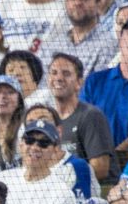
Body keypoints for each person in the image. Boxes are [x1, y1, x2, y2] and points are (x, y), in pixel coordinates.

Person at [81, 16, 128, 155]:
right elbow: (81, 123)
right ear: (120, 41)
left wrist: (110, 160)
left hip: (126, 162)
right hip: (89, 157)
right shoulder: (95, 80)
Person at [48, 52, 115, 183]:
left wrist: (62, 179)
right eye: (54, 73)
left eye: (66, 74)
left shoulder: (91, 116)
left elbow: (100, 168)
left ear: (79, 82)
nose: (59, 78)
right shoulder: (48, 118)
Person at [37, 0, 116, 78]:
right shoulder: (53, 43)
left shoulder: (108, 44)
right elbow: (41, 83)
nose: (78, 3)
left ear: (97, 3)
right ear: (66, 3)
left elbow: (97, 87)